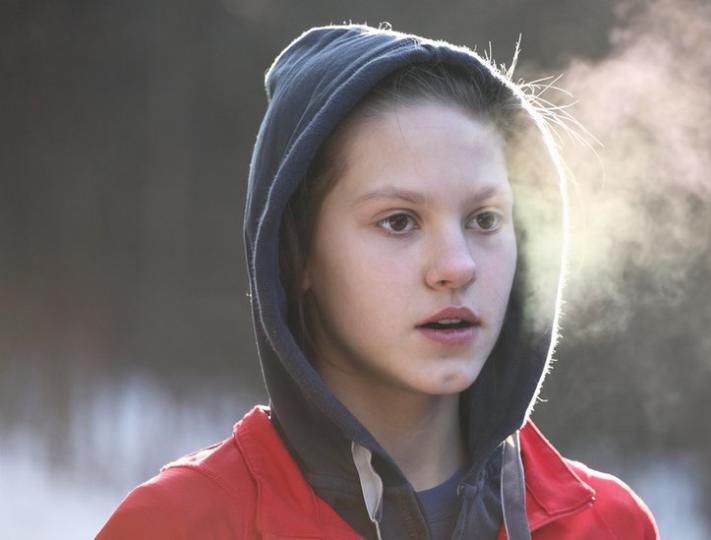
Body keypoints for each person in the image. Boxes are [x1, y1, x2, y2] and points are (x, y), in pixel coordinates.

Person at [98, 24, 659, 539]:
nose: (457, 266)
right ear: (297, 256)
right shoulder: (183, 525)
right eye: (399, 222)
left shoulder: (607, 525)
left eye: (484, 220)